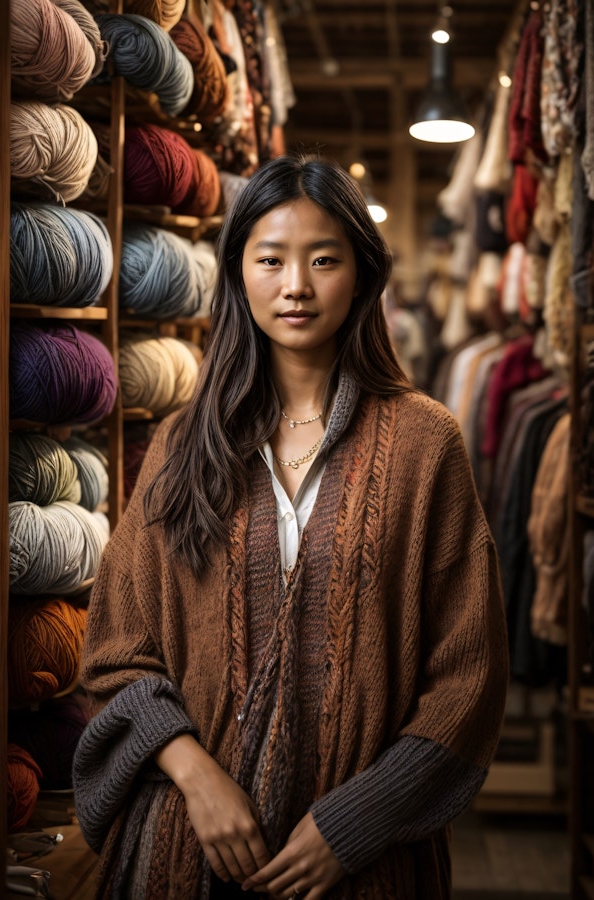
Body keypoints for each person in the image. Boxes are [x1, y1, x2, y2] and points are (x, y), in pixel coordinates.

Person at [73, 154, 509, 899]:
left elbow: (468, 677)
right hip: (184, 852)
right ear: (239, 272)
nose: (297, 285)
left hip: (366, 867)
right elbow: (118, 651)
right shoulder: (183, 443)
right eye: (271, 259)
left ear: (362, 275)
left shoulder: (422, 441)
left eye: (324, 260)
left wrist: (353, 823)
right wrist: (195, 775)